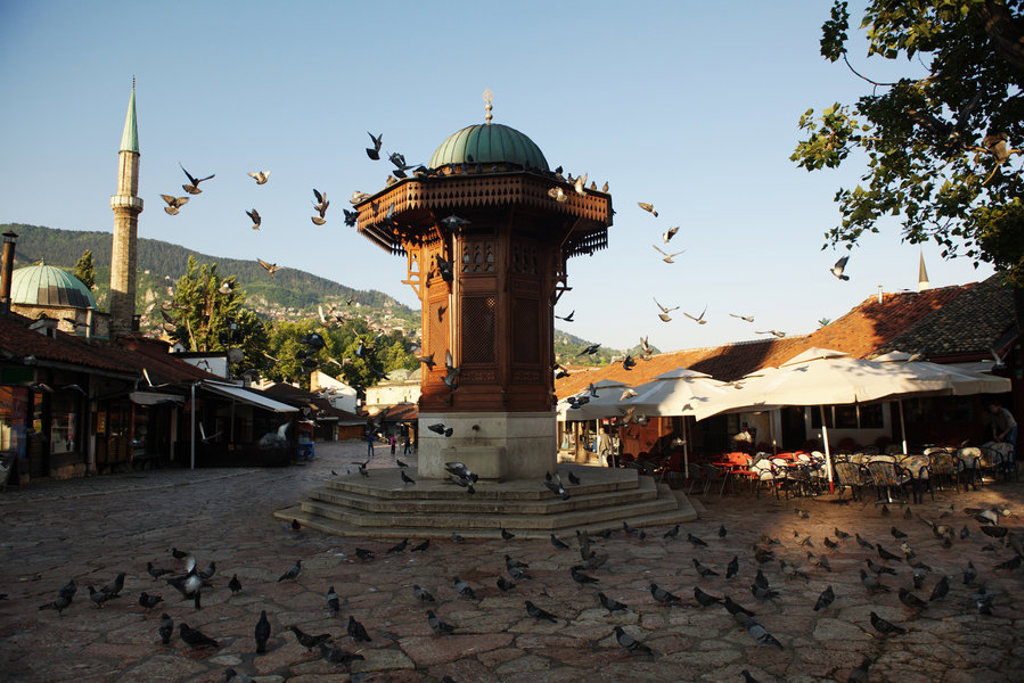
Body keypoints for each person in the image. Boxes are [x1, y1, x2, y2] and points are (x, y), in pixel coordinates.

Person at [988, 401, 1017, 477]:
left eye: (993, 408)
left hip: (1011, 429)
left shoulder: (1004, 412)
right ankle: (1004, 465)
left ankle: (1011, 465)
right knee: (1002, 447)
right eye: (990, 408)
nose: (992, 410)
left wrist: (1003, 434)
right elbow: (994, 425)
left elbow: (1010, 425)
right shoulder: (993, 415)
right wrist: (994, 434)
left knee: (1010, 445)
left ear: (997, 407)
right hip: (1003, 429)